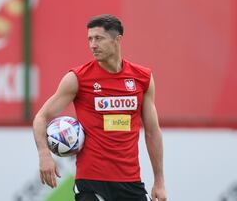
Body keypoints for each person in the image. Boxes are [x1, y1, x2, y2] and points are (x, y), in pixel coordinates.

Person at [32, 14, 167, 201]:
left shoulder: (142, 78)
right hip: (91, 182)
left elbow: (152, 132)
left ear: (117, 40)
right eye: (89, 39)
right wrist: (44, 155)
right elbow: (41, 117)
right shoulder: (77, 78)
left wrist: (159, 181)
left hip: (130, 182)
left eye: (99, 38)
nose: (93, 45)